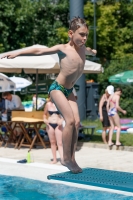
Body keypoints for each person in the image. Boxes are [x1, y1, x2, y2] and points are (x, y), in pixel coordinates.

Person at [1, 17, 97, 173]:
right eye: (81, 35)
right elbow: (39, 50)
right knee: (70, 120)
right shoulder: (63, 48)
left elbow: (90, 51)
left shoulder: (83, 48)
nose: (85, 38)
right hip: (57, 88)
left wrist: (93, 51)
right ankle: (65, 158)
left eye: (86, 35)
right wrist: (17, 52)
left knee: (77, 122)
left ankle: (72, 158)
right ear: (70, 33)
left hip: (69, 90)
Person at [43, 97, 63, 164]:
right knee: (52, 142)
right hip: (50, 124)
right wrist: (45, 120)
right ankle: (54, 159)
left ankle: (63, 159)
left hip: (58, 124)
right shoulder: (48, 104)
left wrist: (61, 120)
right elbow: (44, 114)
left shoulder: (60, 103)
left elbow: (65, 115)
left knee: (60, 143)